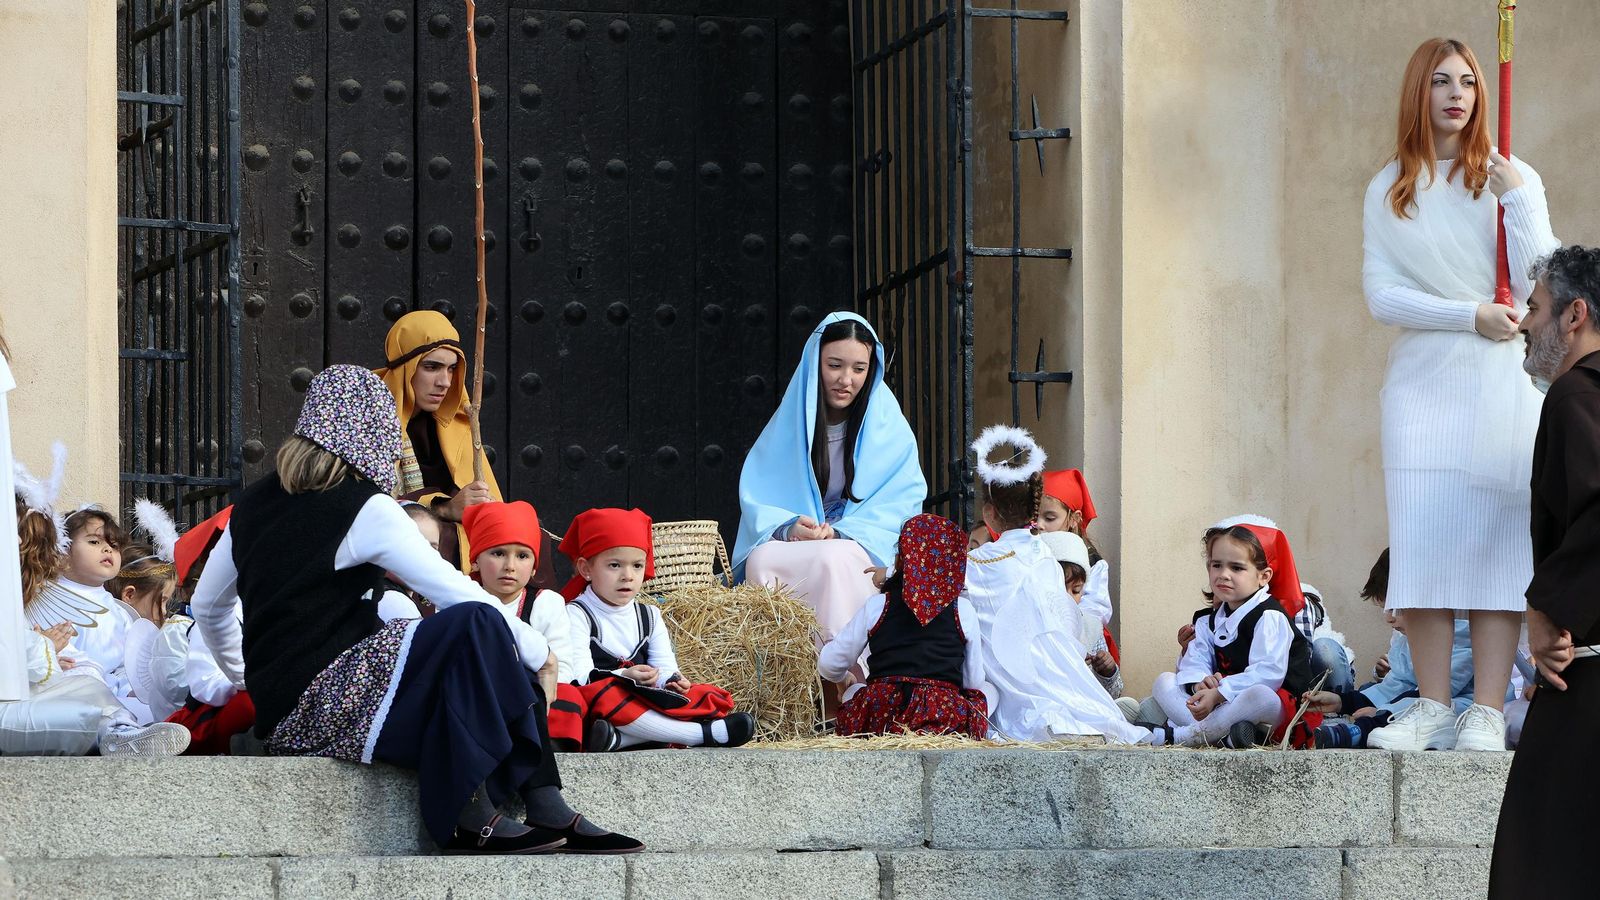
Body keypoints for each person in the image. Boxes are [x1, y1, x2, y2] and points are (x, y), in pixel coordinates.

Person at [191, 365, 641, 855]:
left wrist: (249, 678)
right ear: (375, 428)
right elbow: (455, 591)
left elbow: (207, 608)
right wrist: (540, 654)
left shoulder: (251, 506)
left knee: (460, 643)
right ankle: (486, 811)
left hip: (285, 711)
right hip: (336, 701)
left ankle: (543, 801)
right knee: (474, 623)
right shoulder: (365, 506)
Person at [1362, 38, 1560, 752]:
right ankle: (1431, 704)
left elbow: (1546, 271)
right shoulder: (1390, 187)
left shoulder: (1509, 177)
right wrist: (1465, 314)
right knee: (1424, 541)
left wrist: (1522, 199)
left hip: (1502, 381)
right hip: (1422, 384)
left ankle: (1483, 710)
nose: (1457, 94)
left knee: (1496, 544)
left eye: (1470, 82)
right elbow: (1382, 295)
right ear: (1419, 91)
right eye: (1442, 81)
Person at [1491, 246, 1600, 895]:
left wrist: (1545, 607)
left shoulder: (1574, 396)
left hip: (1584, 680)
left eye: (1534, 308)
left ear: (1574, 315)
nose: (1525, 323)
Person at [734, 313, 927, 668]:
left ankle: (844, 677)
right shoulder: (791, 421)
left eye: (858, 369)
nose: (845, 380)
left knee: (834, 557)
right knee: (762, 560)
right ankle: (786, 680)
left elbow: (900, 502)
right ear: (815, 364)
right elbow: (761, 494)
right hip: (801, 542)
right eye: (834, 365)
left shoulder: (888, 425)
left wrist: (839, 531)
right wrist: (790, 526)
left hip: (860, 543)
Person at [959, 426, 1146, 744]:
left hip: (1002, 664)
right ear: (1033, 509)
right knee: (1064, 700)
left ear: (989, 513)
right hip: (1053, 662)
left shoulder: (978, 561)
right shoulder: (1048, 552)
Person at [375, 311, 556, 589]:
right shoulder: (374, 420)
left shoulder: (459, 419)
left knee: (528, 537)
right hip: (404, 533)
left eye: (452, 369)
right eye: (432, 367)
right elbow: (370, 508)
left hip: (463, 531)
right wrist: (444, 507)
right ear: (406, 368)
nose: (445, 382)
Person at [561, 507, 755, 750]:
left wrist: (671, 680)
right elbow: (579, 677)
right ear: (586, 569)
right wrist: (625, 676)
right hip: (603, 704)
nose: (627, 576)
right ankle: (700, 734)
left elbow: (664, 664)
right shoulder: (576, 614)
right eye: (614, 565)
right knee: (605, 695)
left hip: (644, 703)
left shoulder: (649, 615)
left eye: (637, 566)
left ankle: (618, 739)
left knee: (706, 695)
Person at [1146, 517, 1319, 749]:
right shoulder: (1207, 620)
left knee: (1261, 696)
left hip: (1271, 708)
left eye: (1236, 568)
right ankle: (1224, 736)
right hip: (1219, 706)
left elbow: (1268, 673)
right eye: (1216, 565)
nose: (1224, 574)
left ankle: (1182, 737)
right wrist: (1199, 684)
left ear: (1263, 576)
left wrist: (1220, 693)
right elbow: (1195, 659)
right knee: (1164, 681)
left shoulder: (1269, 616)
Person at [818, 514, 987, 738]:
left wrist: (843, 681)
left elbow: (829, 664)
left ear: (900, 561)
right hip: (941, 719)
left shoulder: (880, 605)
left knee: (855, 692)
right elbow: (973, 682)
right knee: (986, 695)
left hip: (882, 716)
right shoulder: (962, 611)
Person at [1040, 531, 1125, 704]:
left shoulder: (1090, 626)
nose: (1069, 598)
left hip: (1086, 708)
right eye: (1061, 589)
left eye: (1076, 591)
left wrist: (1107, 671)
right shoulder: (1034, 626)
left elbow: (1114, 692)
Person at [1297, 582, 1355, 695]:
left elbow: (1302, 655)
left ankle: (1341, 703)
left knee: (1324, 648)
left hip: (1315, 671)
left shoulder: (1300, 598)